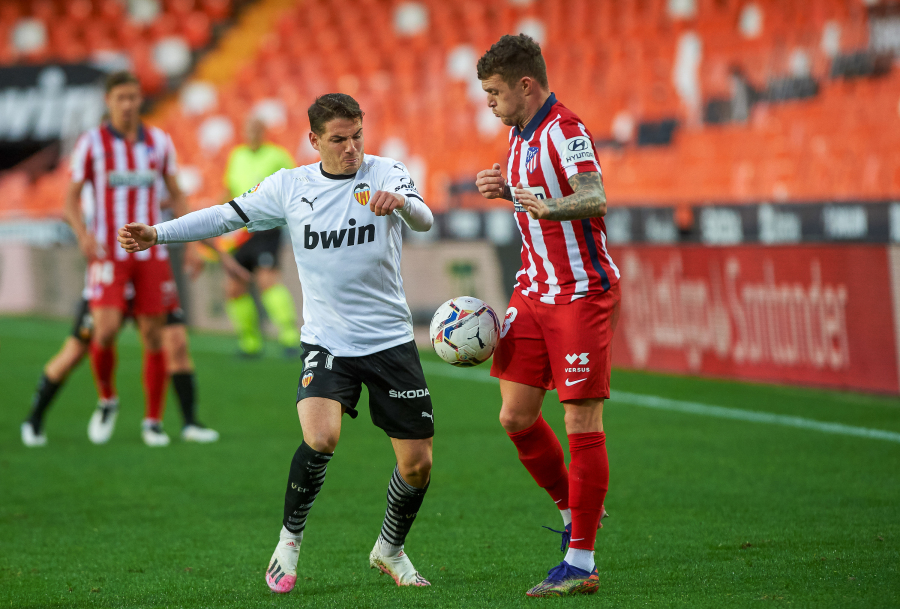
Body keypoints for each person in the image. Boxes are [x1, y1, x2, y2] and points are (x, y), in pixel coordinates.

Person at [117, 94, 436, 593]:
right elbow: (225, 217)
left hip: (390, 342)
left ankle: (389, 549)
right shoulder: (291, 185)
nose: (352, 148)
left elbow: (424, 218)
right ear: (314, 141)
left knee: (417, 466)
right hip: (328, 341)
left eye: (357, 136)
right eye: (339, 139)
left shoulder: (387, 172)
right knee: (320, 437)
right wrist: (157, 233)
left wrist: (403, 204)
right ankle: (288, 543)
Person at [474, 34, 621, 597]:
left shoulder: (568, 130)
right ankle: (573, 511)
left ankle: (581, 562)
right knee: (515, 416)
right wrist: (506, 189)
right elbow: (530, 194)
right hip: (533, 292)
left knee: (581, 422)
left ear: (525, 85)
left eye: (494, 92)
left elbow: (595, 196)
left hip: (581, 293)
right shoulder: (516, 136)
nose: (489, 102)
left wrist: (541, 202)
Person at [64, 70, 190, 446]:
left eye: (134, 97)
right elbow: (70, 199)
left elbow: (177, 193)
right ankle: (107, 398)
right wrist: (83, 235)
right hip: (107, 250)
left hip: (151, 251)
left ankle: (153, 421)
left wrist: (194, 242)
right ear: (109, 101)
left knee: (154, 337)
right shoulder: (91, 144)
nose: (129, 104)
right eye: (121, 97)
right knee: (103, 330)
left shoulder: (159, 141)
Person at [20, 285, 220, 447]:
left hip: (152, 278)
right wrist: (82, 234)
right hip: (109, 281)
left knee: (176, 344)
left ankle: (183, 423)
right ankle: (36, 418)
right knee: (75, 351)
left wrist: (192, 247)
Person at [216, 116, 301, 357]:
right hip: (240, 231)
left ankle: (289, 337)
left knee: (267, 281)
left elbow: (294, 187)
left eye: (256, 128)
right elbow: (228, 189)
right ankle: (250, 342)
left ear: (264, 130)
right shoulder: (237, 156)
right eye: (248, 128)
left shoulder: (277, 155)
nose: (251, 132)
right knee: (234, 286)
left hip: (266, 228)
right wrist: (212, 215)